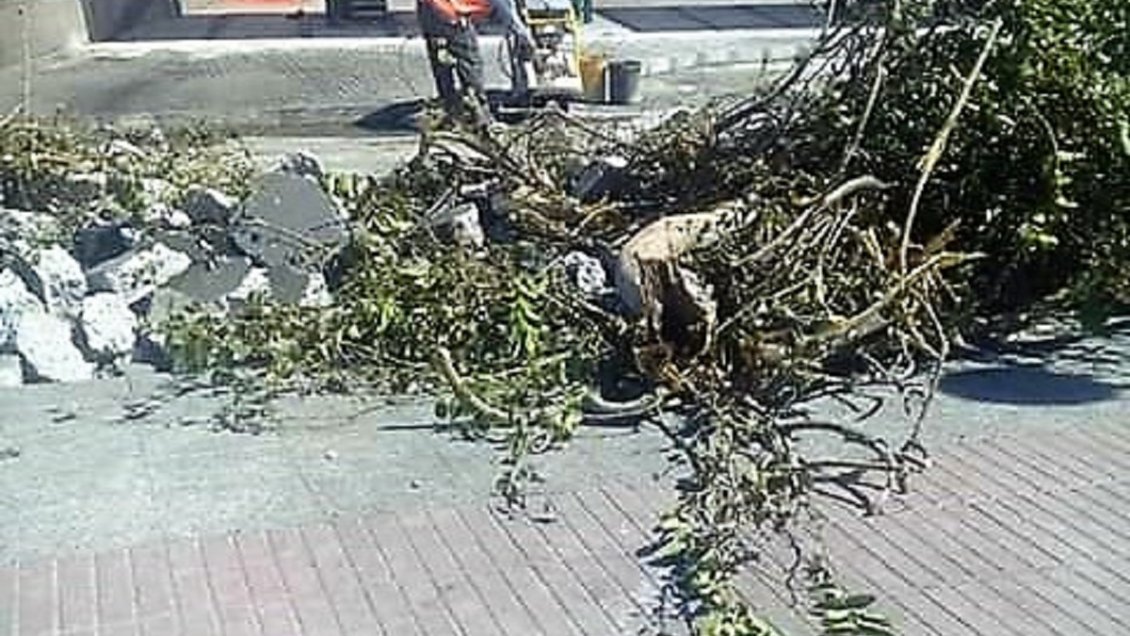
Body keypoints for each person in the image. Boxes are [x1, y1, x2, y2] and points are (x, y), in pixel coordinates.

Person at [416, 0, 534, 125]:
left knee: (443, 68)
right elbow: (501, 7)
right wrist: (521, 33)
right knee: (470, 67)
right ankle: (480, 120)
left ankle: (452, 115)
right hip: (451, 13)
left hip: (432, 12)